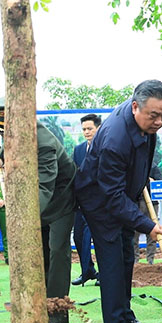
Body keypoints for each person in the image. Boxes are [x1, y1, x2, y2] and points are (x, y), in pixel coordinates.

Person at [73, 80, 162, 323]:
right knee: (113, 261)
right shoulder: (116, 138)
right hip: (100, 202)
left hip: (124, 196)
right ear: (135, 107)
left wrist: (140, 188)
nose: (159, 121)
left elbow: (142, 161)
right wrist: (146, 224)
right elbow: (110, 194)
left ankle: (126, 316)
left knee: (127, 256)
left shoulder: (144, 122)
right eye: (154, 116)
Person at [0, 121, 77, 323]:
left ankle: (55, 321)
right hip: (37, 202)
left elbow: (45, 186)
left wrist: (23, 220)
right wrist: (0, 155)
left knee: (58, 253)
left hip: (60, 202)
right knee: (41, 257)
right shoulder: (17, 129)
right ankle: (38, 313)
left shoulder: (44, 143)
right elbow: (9, 137)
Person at [72, 114, 101, 284]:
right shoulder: (79, 149)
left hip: (99, 203)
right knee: (78, 237)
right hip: (81, 202)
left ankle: (103, 275)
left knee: (97, 239)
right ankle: (88, 270)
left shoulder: (105, 146)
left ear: (98, 128)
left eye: (90, 129)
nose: (86, 132)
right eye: (84, 129)